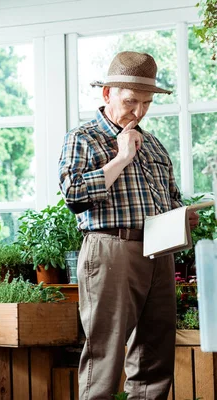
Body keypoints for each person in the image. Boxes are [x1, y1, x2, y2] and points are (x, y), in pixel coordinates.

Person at [58, 51, 199, 400]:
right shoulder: (84, 138)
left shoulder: (153, 144)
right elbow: (74, 194)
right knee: (104, 353)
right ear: (107, 94)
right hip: (110, 251)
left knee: (155, 353)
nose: (138, 111)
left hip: (158, 252)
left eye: (146, 103)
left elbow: (170, 197)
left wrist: (183, 215)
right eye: (131, 101)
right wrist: (121, 158)